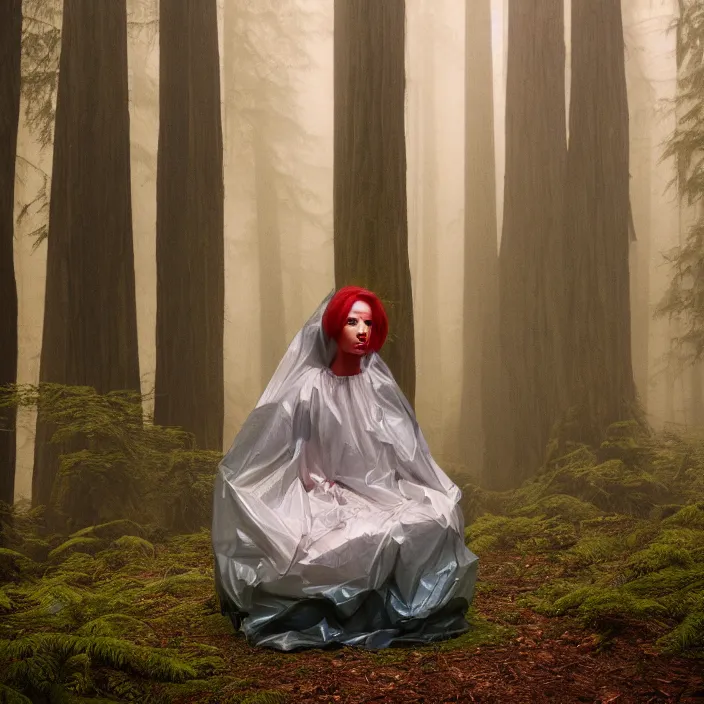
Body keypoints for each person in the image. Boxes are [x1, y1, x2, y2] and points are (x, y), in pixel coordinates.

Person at [212, 286, 479, 651]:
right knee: (327, 542)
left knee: (434, 514)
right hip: (320, 494)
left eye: (368, 322)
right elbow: (290, 453)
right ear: (335, 327)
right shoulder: (309, 388)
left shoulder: (377, 385)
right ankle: (339, 610)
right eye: (352, 321)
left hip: (381, 490)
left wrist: (402, 487)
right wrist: (322, 487)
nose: (361, 330)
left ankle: (404, 607)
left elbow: (405, 449)